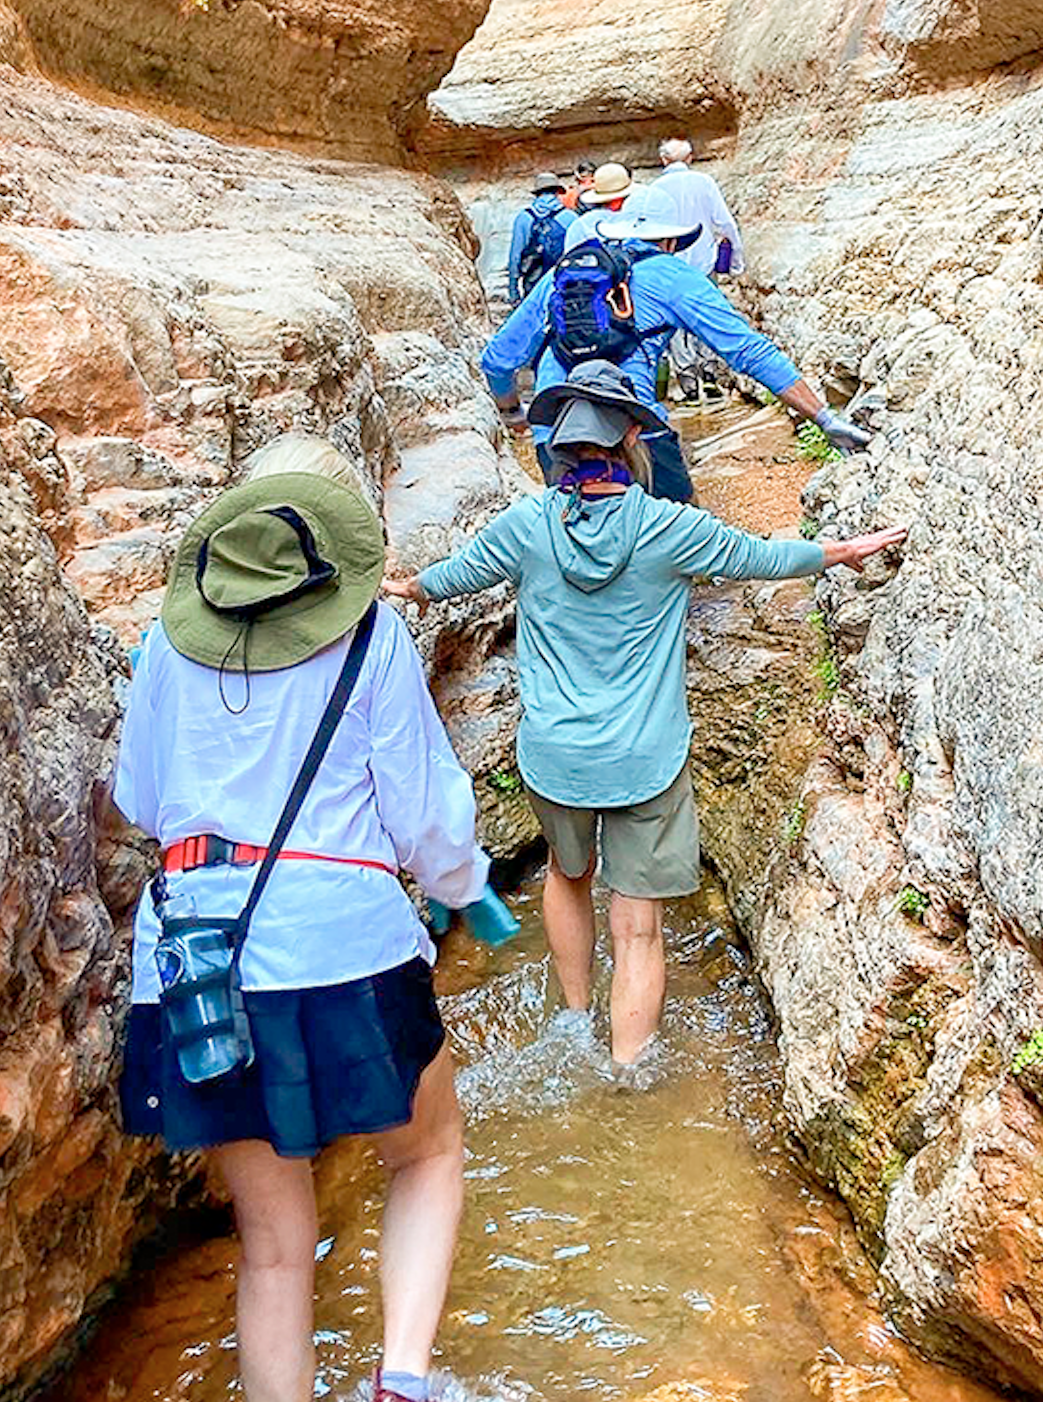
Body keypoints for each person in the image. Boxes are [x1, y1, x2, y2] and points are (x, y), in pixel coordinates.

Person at [111, 438, 491, 1402]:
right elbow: (426, 820)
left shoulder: (163, 647)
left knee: (271, 1240)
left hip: (191, 958)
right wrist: (462, 887)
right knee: (425, 1155)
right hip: (340, 948)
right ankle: (404, 1393)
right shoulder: (373, 641)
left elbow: (138, 801)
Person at [389, 366, 907, 1077]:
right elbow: (759, 558)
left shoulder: (525, 528)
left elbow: (454, 575)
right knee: (638, 927)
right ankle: (628, 1071)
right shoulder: (671, 529)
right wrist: (843, 550)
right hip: (645, 759)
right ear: (633, 435)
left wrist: (407, 585)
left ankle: (573, 1024)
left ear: (560, 449)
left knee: (570, 877)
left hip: (556, 755)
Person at [483, 222, 864, 503]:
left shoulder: (561, 276)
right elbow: (747, 351)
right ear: (666, 241)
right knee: (681, 549)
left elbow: (498, 359)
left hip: (559, 437)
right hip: (635, 436)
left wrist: (515, 415)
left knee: (582, 555)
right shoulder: (672, 274)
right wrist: (824, 418)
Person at [629, 137, 739, 276]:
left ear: (664, 159)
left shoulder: (655, 187)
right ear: (689, 158)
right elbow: (725, 222)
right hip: (704, 264)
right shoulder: (705, 182)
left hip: (670, 265)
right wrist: (736, 263)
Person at [505, 174, 571, 299]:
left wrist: (513, 290)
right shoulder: (570, 217)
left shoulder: (524, 218)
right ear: (557, 192)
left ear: (537, 194)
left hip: (533, 285)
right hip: (563, 284)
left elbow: (515, 257)